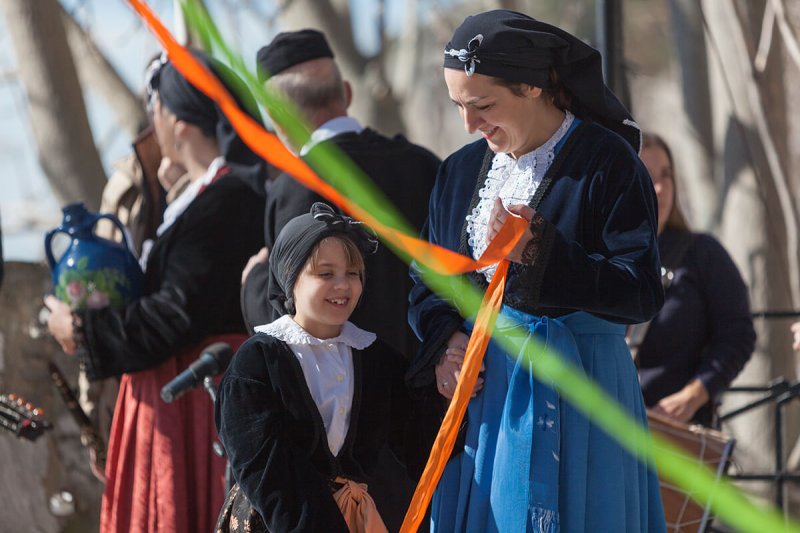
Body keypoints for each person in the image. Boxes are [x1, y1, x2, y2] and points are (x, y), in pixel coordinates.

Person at [406, 10, 666, 532]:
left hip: (582, 392)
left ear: (532, 86)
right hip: (486, 401)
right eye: (458, 106)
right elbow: (429, 279)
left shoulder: (609, 163)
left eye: (482, 105)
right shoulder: (458, 171)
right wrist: (447, 342)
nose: (469, 125)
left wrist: (539, 250)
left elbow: (639, 292)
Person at [44, 51, 267, 533]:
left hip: (191, 403)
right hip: (181, 397)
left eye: (157, 108)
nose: (152, 121)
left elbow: (172, 315)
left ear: (180, 121)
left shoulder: (223, 202)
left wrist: (80, 329)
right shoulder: (211, 196)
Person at [241, 29, 439, 360]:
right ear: (346, 94)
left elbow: (290, 323)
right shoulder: (423, 164)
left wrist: (254, 283)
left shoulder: (298, 186)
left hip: (353, 396)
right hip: (441, 387)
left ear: (277, 116)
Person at [215, 203, 410, 532]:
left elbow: (421, 434)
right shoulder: (256, 365)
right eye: (325, 274)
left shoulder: (373, 355)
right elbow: (269, 476)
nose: (342, 285)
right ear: (291, 278)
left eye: (352, 273)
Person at [635, 133, 755, 426]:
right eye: (648, 177)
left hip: (677, 436)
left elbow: (738, 336)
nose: (661, 188)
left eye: (667, 175)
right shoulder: (599, 254)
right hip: (611, 433)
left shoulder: (703, 253)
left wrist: (693, 396)